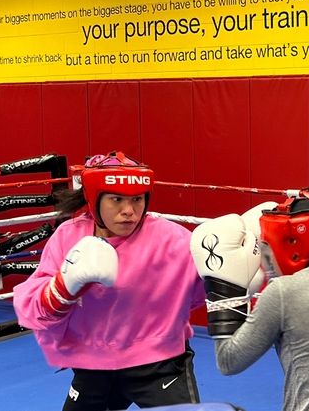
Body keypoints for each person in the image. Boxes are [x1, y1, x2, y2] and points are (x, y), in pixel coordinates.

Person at [13, 151, 206, 411]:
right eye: (116, 199)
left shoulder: (171, 239)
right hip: (94, 364)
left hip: (160, 361)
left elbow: (204, 291)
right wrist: (62, 289)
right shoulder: (68, 237)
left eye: (137, 199)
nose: (129, 211)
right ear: (94, 201)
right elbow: (34, 310)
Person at [190, 183, 309, 411]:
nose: (267, 258)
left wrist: (224, 288)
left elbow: (228, 361)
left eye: (269, 247)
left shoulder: (284, 292)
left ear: (293, 244)